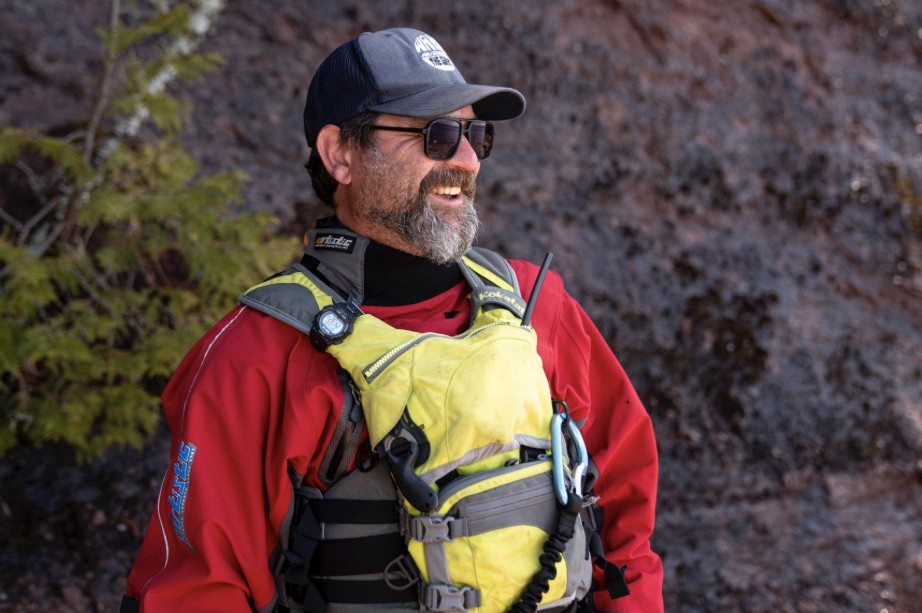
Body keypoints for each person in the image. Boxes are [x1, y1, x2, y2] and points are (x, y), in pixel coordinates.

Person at [121, 27, 663, 613]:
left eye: (477, 134)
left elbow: (621, 513)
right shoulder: (256, 355)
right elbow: (195, 592)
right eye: (437, 134)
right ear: (340, 155)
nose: (466, 158)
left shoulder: (538, 305)